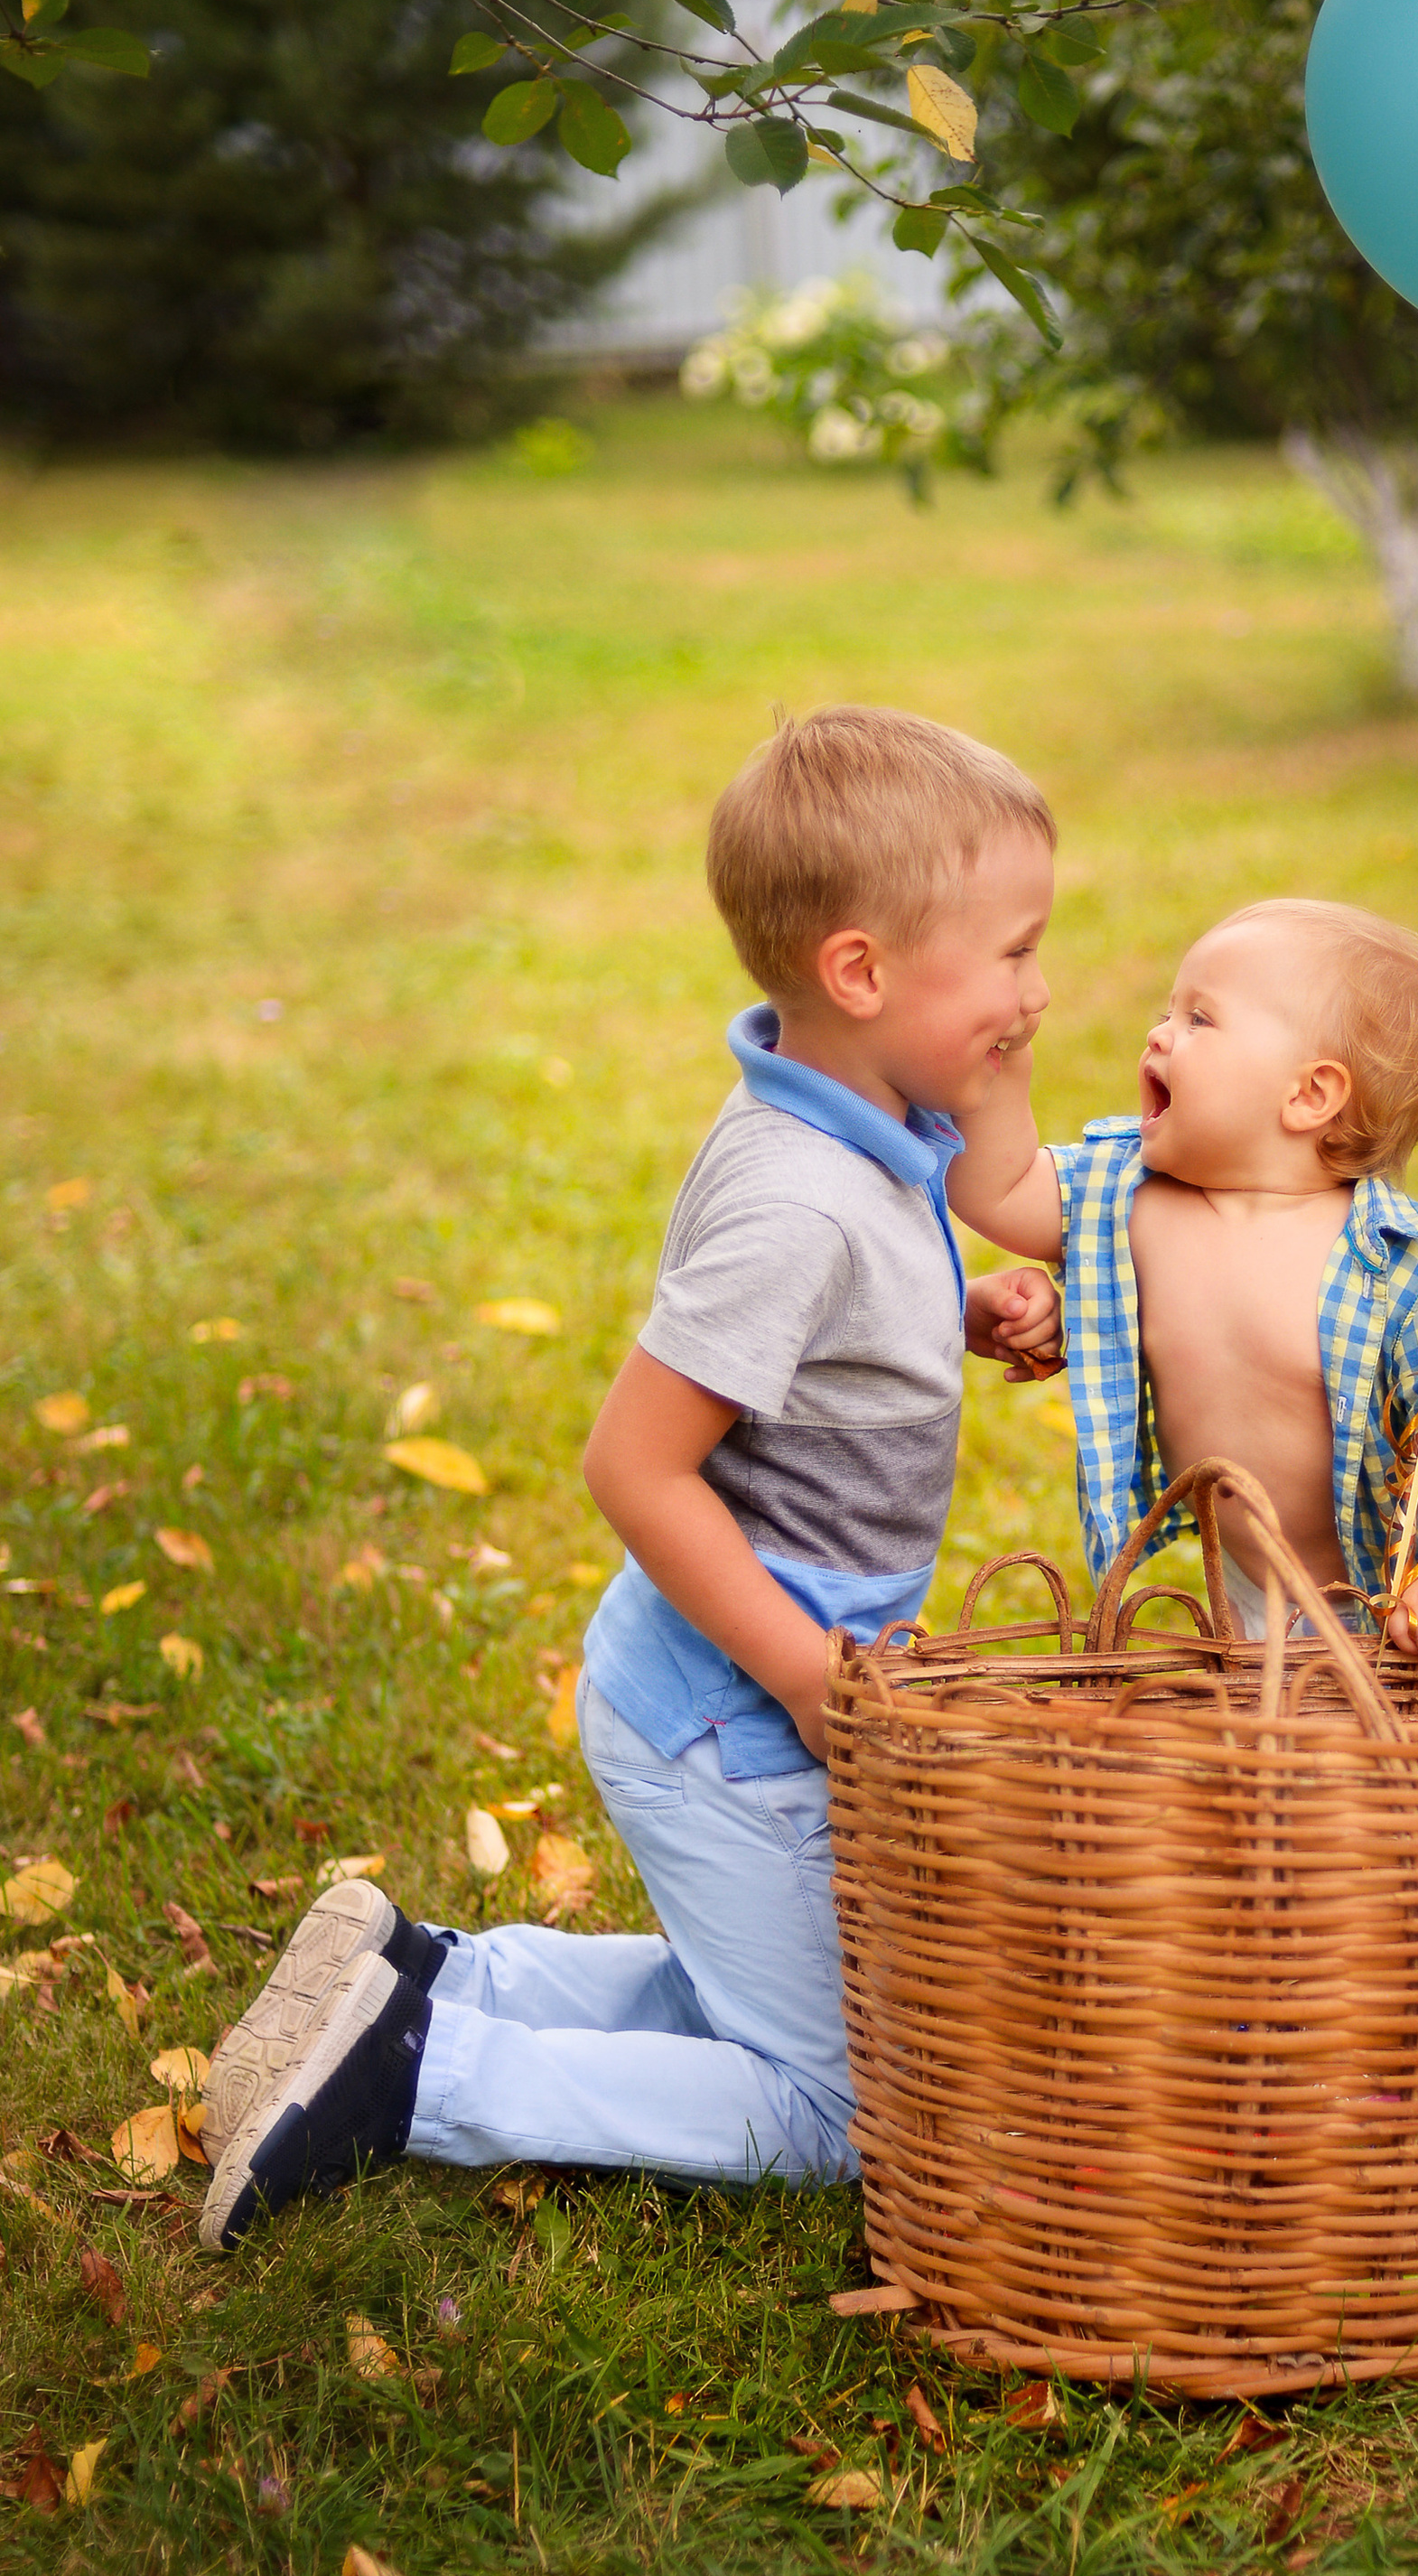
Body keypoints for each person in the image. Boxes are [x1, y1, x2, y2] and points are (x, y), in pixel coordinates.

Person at [199, 707, 1062, 2251]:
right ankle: (421, 2075)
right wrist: (807, 1678)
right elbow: (636, 1464)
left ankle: (436, 1970)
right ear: (861, 974)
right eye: (1010, 955)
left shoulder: (871, 1126)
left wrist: (961, 1308)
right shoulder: (796, 1198)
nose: (1036, 995)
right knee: (844, 2110)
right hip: (729, 1713)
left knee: (782, 1988)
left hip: (737, 1702)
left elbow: (850, 1322)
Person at [945, 895, 1418, 1653]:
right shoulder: (1131, 1193)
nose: (1159, 1033)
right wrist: (1006, 1050)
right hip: (1259, 1604)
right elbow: (995, 1189)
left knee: (1409, 1767)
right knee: (1275, 1764)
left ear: (1309, 1094)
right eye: (1169, 1010)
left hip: (1407, 1606)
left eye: (1200, 1019)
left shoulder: (1395, 1261)